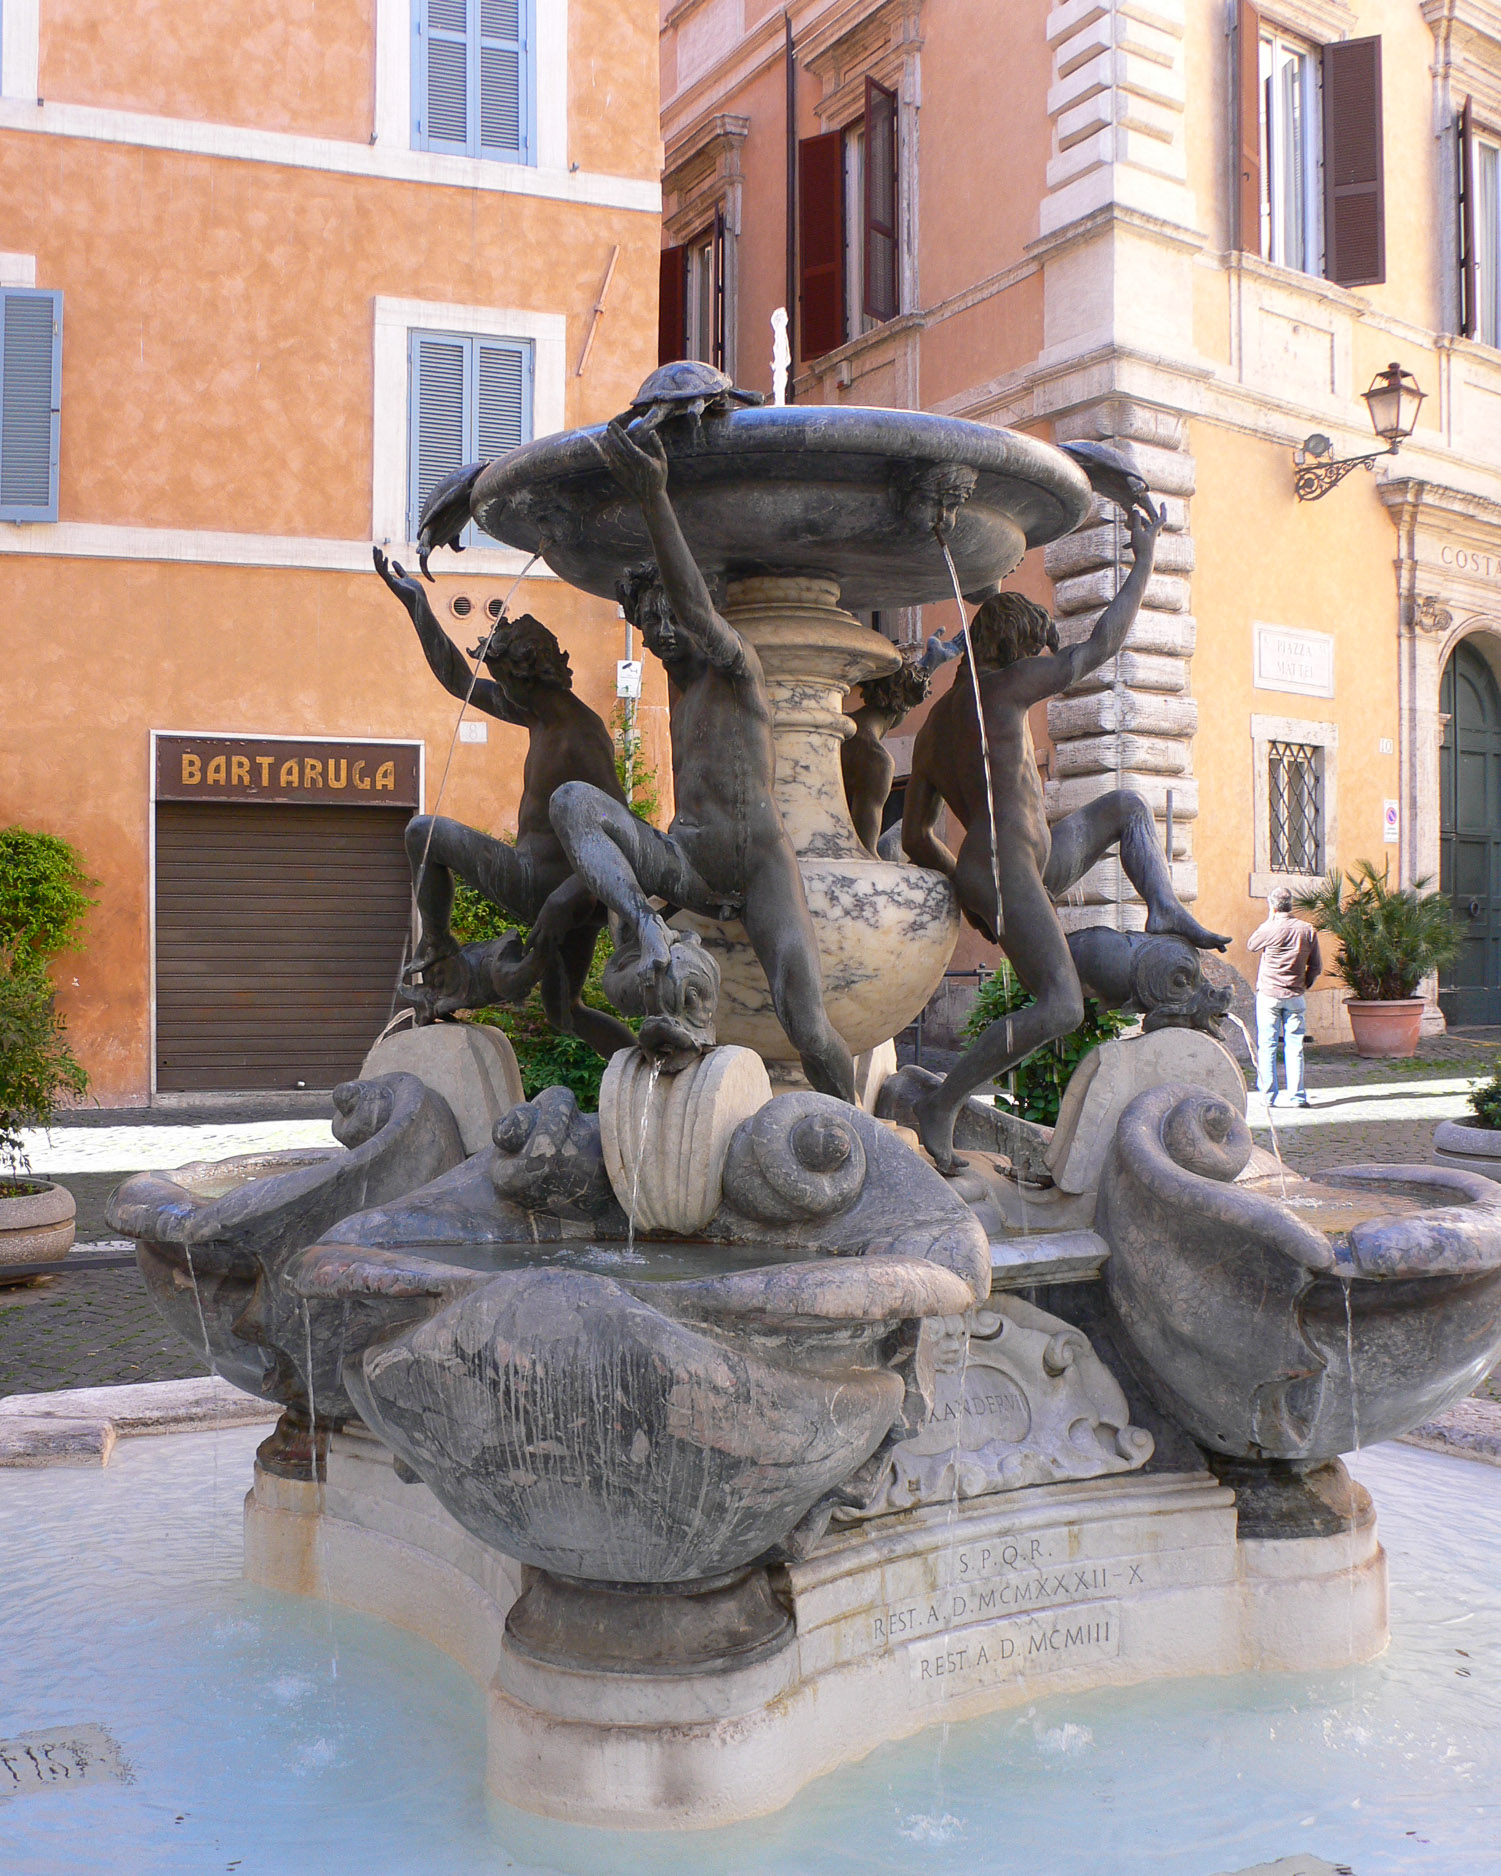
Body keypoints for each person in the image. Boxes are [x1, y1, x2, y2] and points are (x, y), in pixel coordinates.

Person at [900, 495, 1230, 1173]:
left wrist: (963, 883)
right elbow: (1100, 646)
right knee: (1059, 1008)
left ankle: (1163, 906)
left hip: (1021, 860)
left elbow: (914, 837)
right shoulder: (1001, 687)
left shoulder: (932, 729)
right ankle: (943, 1103)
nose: (1034, 662)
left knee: (1127, 807)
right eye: (1029, 651)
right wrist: (1144, 558)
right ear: (1010, 651)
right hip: (1010, 868)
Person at [538, 417, 856, 1102]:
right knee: (572, 802)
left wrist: (653, 497)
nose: (658, 631)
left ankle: (852, 1125)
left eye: (669, 617)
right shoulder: (679, 697)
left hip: (758, 864)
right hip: (687, 861)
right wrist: (604, 902)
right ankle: (645, 924)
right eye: (646, 620)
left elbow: (696, 608)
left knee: (806, 1022)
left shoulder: (735, 668)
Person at [372, 546, 635, 1062]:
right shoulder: (541, 714)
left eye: (504, 677)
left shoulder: (578, 736)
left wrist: (564, 899)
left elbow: (622, 834)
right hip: (567, 898)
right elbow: (460, 682)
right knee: (565, 1012)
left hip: (545, 886)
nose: (500, 688)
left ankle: (437, 943)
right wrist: (418, 605)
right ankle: (648, 1070)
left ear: (525, 676)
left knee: (423, 832)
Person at [1248, 886, 1322, 1106]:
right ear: (1291, 905)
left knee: (1267, 1045)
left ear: (1272, 906)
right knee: (1295, 1046)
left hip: (1269, 993)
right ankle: (1297, 1096)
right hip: (1295, 994)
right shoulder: (1307, 929)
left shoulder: (1269, 928)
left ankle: (1268, 1096)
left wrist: (1269, 920)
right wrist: (1305, 984)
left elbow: (1251, 945)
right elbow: (1316, 966)